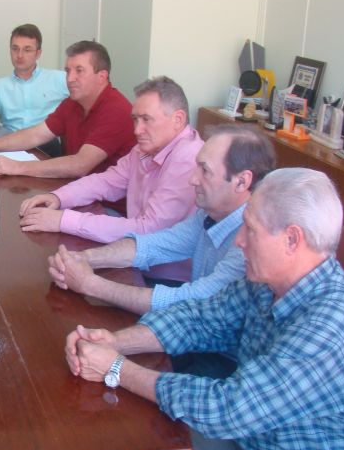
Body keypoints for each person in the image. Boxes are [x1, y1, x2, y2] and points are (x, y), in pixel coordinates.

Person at [67, 168, 344, 450]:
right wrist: (116, 342)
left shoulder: (329, 330)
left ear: (292, 239)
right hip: (260, 435)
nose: (239, 241)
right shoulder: (270, 280)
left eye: (250, 229)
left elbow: (229, 408)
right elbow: (203, 318)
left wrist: (115, 368)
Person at [48, 125, 275, 312]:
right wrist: (82, 258)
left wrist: (90, 284)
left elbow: (193, 302)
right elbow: (152, 245)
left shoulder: (252, 241)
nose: (193, 180)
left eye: (205, 171)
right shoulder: (209, 213)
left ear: (242, 181)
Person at [20, 76, 203, 283]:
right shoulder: (145, 148)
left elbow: (147, 230)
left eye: (146, 119)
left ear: (178, 119)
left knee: (58, 277)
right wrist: (58, 197)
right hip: (134, 259)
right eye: (135, 119)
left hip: (165, 279)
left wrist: (64, 220)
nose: (137, 130)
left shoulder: (188, 159)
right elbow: (105, 182)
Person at [0, 40, 135, 178]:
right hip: (79, 190)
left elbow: (80, 165)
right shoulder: (72, 103)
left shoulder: (117, 110)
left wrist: (18, 167)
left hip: (108, 207)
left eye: (79, 71)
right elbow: (35, 135)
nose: (70, 78)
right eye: (68, 71)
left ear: (102, 76)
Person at [0, 23, 68, 133]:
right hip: (11, 140)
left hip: (46, 141)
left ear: (38, 53)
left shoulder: (59, 79)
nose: (20, 55)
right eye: (15, 49)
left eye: (27, 50)